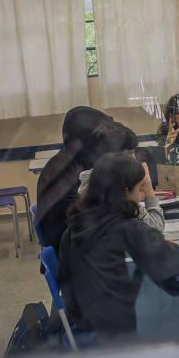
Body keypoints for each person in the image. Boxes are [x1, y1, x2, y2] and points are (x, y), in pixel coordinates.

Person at [58, 154, 179, 340]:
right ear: (124, 191)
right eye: (140, 189)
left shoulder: (73, 226)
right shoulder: (128, 230)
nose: (142, 197)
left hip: (85, 318)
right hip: (124, 327)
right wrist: (162, 245)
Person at [36, 107, 118, 251]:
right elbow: (86, 224)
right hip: (74, 256)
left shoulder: (69, 162)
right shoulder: (66, 173)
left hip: (73, 249)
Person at [78, 124, 164, 233]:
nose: (134, 159)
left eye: (133, 152)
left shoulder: (94, 181)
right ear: (110, 157)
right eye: (128, 153)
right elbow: (155, 228)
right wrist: (147, 184)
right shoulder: (119, 191)